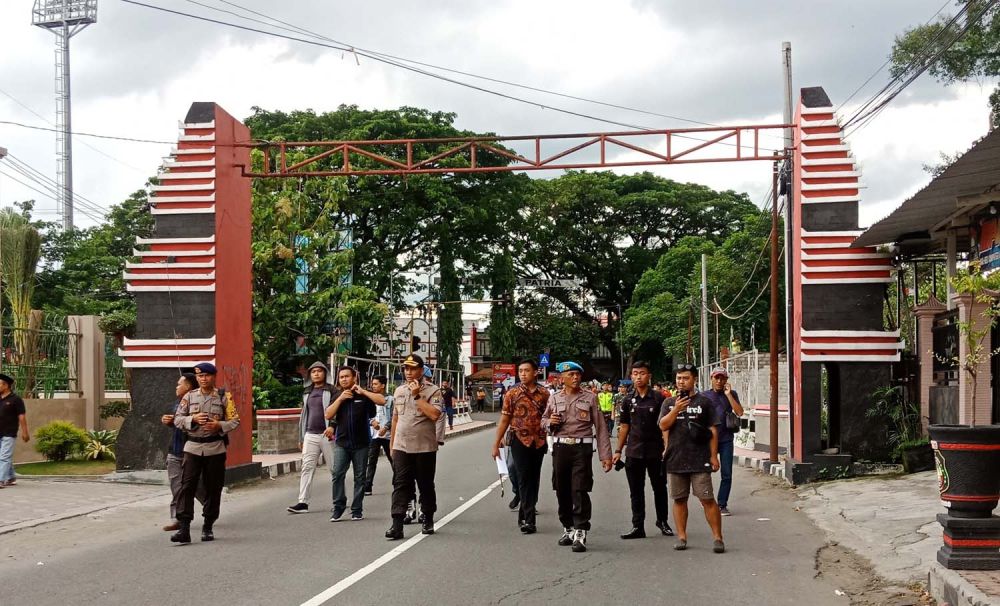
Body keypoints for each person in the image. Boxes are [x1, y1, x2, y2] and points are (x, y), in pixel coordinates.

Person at [542, 361, 613, 553]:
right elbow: (543, 420)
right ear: (561, 378)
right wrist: (550, 422)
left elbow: (600, 427)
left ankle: (581, 529)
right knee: (561, 489)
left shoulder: (590, 398)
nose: (575, 378)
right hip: (560, 448)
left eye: (577, 375)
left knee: (580, 489)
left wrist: (605, 455)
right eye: (571, 375)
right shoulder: (554, 398)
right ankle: (568, 527)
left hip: (582, 449)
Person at [658, 363, 725, 553]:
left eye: (685, 378)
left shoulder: (704, 402)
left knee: (707, 499)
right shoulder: (668, 403)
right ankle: (681, 536)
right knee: (679, 499)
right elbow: (663, 426)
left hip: (700, 458)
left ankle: (718, 537)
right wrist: (676, 409)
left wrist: (714, 456)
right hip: (675, 458)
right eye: (679, 378)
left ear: (694, 379)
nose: (681, 382)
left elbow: (713, 430)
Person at [172, 362, 241, 543]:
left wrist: (219, 425)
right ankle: (184, 528)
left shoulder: (224, 396)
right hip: (192, 447)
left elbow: (234, 420)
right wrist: (192, 419)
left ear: (213, 376)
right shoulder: (188, 396)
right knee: (187, 487)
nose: (203, 379)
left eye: (206, 375)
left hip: (215, 448)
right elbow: (177, 419)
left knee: (213, 488)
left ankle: (208, 525)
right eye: (199, 376)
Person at [385, 354, 444, 540]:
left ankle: (427, 517)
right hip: (401, 446)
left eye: (412, 368)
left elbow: (434, 414)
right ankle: (397, 523)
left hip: (424, 447)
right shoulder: (399, 391)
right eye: (406, 368)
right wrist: (392, 444)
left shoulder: (433, 391)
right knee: (400, 485)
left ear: (421, 370)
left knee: (425, 484)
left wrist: (418, 395)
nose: (408, 372)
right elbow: (395, 418)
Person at [613, 361, 673, 539]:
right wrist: (617, 450)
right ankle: (637, 526)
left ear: (649, 376)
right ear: (631, 376)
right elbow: (624, 426)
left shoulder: (659, 398)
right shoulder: (627, 400)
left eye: (642, 373)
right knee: (636, 491)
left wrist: (667, 448)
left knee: (659, 488)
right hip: (634, 451)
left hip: (656, 451)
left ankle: (662, 521)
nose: (638, 377)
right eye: (635, 373)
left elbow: (665, 426)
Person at [491, 359, 549, 534]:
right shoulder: (512, 393)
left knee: (534, 476)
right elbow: (504, 419)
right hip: (518, 440)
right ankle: (529, 519)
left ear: (535, 372)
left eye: (527, 371)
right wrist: (496, 442)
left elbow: (549, 417)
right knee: (523, 476)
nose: (523, 374)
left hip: (539, 440)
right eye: (521, 371)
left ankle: (525, 512)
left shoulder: (544, 394)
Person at [325, 366, 382, 522]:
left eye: (347, 376)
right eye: (341, 377)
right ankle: (338, 507)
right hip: (342, 443)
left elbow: (378, 405)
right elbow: (328, 414)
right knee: (337, 475)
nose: (344, 379)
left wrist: (363, 392)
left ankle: (357, 509)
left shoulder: (362, 395)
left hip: (361, 443)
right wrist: (341, 399)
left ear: (354, 378)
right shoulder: (337, 395)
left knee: (360, 477)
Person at [287, 361, 337, 514]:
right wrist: (301, 437)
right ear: (310, 375)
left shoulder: (332, 390)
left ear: (325, 373)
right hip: (310, 434)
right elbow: (305, 414)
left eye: (319, 371)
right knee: (307, 468)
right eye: (313, 371)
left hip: (327, 435)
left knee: (334, 469)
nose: (316, 374)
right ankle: (303, 502)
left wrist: (332, 426)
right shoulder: (307, 391)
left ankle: (339, 500)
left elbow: (337, 410)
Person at [161, 373, 204, 530]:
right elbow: (177, 424)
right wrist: (169, 422)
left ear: (188, 387)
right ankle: (178, 519)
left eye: (179, 384)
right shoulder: (176, 404)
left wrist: (181, 421)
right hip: (175, 451)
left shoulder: (199, 405)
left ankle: (210, 508)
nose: (176, 387)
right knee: (177, 487)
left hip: (192, 452)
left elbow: (197, 427)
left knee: (198, 487)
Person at [704, 368, 744, 516]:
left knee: (726, 473)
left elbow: (739, 412)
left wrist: (728, 395)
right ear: (711, 378)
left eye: (722, 379)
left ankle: (722, 504)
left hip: (726, 439)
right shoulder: (704, 396)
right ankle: (707, 501)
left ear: (726, 380)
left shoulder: (732, 395)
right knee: (704, 473)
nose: (719, 381)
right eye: (717, 378)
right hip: (708, 440)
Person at [364, 375, 393, 496]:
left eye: (376, 384)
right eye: (372, 384)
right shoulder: (370, 399)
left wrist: (386, 427)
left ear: (383, 385)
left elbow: (394, 416)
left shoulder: (391, 399)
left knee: (393, 460)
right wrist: (372, 422)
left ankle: (398, 483)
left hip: (388, 435)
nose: (373, 386)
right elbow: (366, 414)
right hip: (374, 435)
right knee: (372, 461)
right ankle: (368, 486)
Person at [0, 373, 28, 488]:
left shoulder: (16, 399)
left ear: (6, 386)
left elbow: (21, 416)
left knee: (4, 457)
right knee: (4, 456)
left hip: (9, 433)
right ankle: (11, 477)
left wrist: (25, 432)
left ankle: (1, 480)